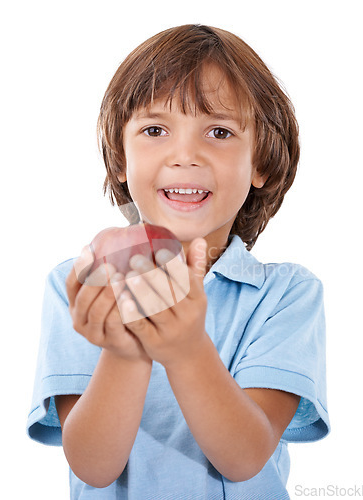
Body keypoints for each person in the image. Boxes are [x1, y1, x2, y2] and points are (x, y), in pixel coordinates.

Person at [27, 24, 330, 499]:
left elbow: (245, 456)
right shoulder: (82, 283)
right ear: (120, 158)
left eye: (219, 131)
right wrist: (126, 350)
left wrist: (187, 349)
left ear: (261, 164)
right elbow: (92, 465)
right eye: (154, 129)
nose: (185, 154)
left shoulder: (287, 294)